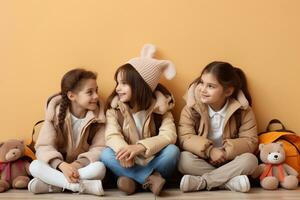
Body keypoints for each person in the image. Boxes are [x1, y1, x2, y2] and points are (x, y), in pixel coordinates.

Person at [101, 44, 180, 196]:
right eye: (117, 83)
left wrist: (141, 147)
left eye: (124, 83)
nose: (118, 88)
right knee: (105, 155)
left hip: (153, 159)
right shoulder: (115, 110)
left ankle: (134, 182)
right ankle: (149, 179)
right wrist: (124, 151)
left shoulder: (161, 110)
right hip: (127, 161)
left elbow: (169, 136)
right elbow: (112, 136)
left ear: (141, 86)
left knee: (173, 151)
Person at [178, 61, 258, 193]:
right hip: (203, 159)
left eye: (210, 86)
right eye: (201, 83)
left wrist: (225, 153)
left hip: (230, 161)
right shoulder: (191, 109)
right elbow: (185, 137)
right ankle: (229, 183)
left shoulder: (243, 111)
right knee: (182, 159)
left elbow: (250, 141)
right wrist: (210, 151)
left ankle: (202, 182)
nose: (203, 89)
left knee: (251, 160)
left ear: (228, 91)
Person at [28, 68, 106, 196]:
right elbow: (44, 147)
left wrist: (76, 165)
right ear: (71, 96)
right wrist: (62, 165)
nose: (96, 96)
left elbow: (99, 148)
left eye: (96, 91)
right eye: (89, 92)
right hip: (58, 168)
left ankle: (55, 185)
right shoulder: (54, 114)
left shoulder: (99, 118)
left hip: (82, 168)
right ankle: (79, 187)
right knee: (34, 166)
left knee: (100, 168)